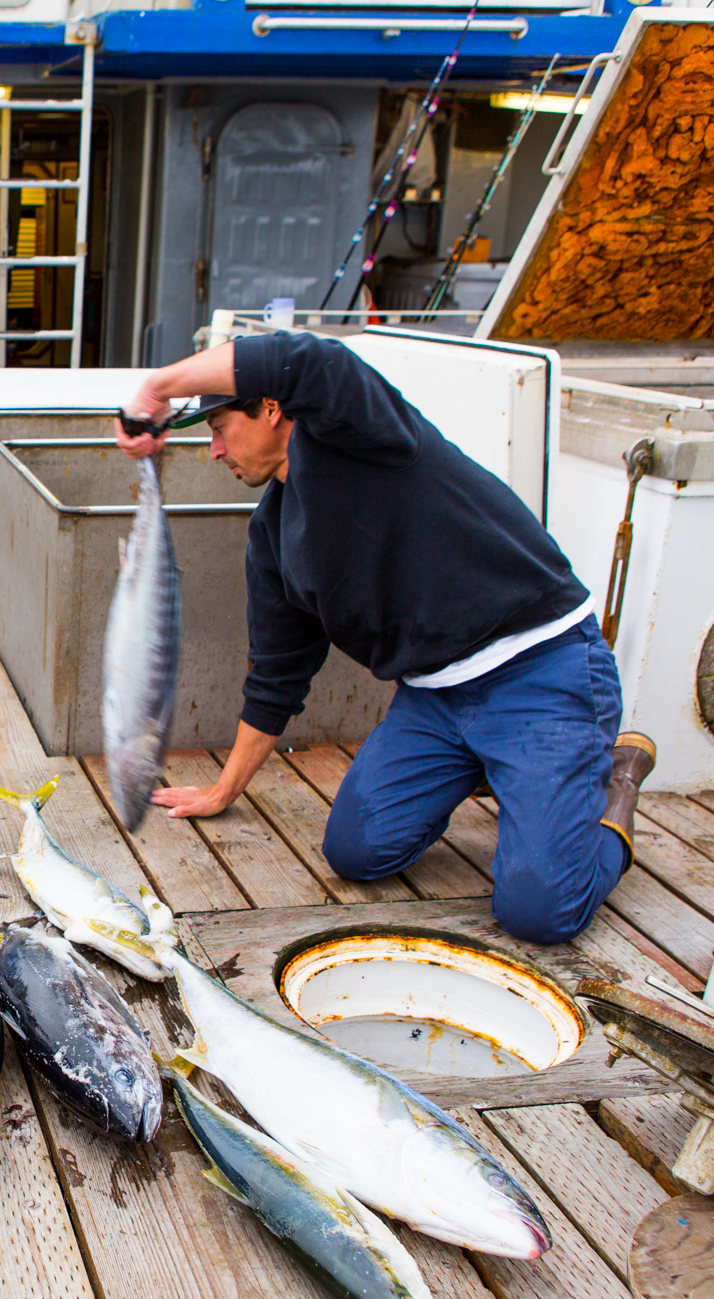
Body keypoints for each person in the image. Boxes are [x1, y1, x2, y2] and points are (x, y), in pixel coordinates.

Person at [115, 331, 653, 945]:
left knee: (539, 912)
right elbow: (277, 672)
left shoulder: (365, 436)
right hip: (436, 700)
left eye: (218, 428)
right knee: (356, 852)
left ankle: (616, 784)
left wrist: (156, 388)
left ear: (270, 409)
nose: (213, 451)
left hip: (541, 670)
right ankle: (500, 770)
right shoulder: (272, 534)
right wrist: (224, 787)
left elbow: (316, 362)